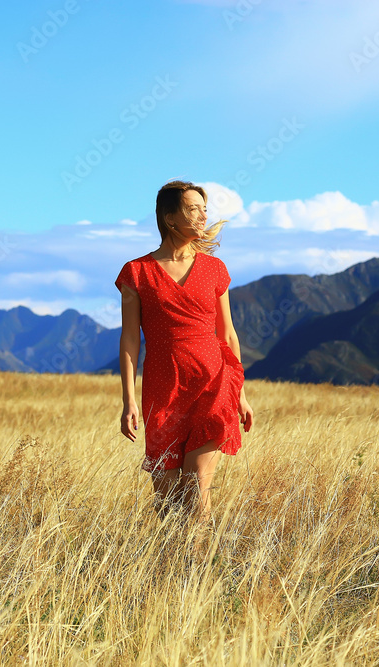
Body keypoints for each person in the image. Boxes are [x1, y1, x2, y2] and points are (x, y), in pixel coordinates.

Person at [115, 179, 254, 525]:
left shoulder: (215, 269)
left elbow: (228, 335)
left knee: (196, 492)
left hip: (213, 384)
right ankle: (169, 575)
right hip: (163, 390)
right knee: (167, 503)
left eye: (204, 209)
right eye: (193, 209)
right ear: (170, 218)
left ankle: (201, 575)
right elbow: (130, 339)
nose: (203, 216)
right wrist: (128, 400)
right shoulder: (137, 272)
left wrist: (240, 394)